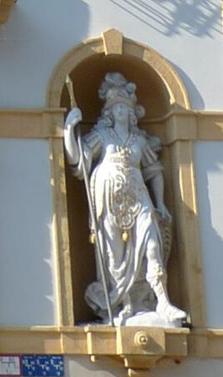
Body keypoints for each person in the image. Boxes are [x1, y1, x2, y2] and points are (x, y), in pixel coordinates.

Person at [63, 72, 188, 327]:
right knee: (114, 258)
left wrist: (160, 202)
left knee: (151, 245)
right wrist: (69, 129)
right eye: (115, 106)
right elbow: (80, 160)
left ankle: (162, 301)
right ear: (109, 112)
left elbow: (154, 171)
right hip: (108, 202)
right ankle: (122, 304)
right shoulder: (102, 136)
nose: (120, 110)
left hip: (139, 197)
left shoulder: (139, 140)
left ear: (131, 112)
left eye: (124, 106)